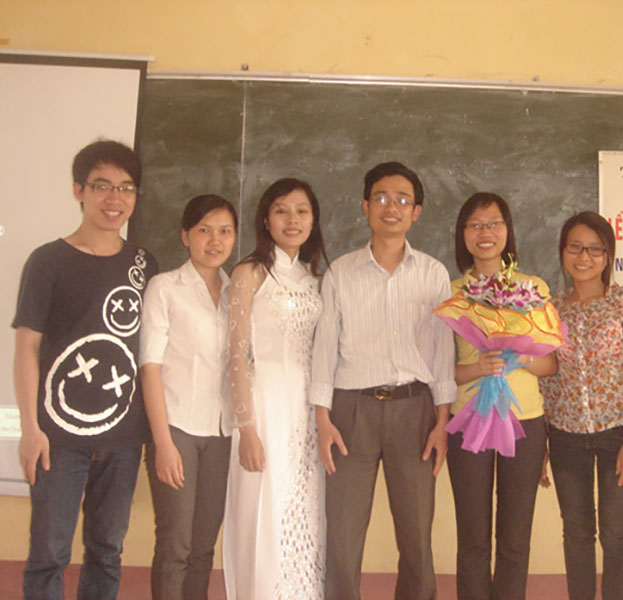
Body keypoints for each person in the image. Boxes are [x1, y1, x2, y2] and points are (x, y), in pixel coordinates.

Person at [12, 140, 158, 599]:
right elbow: (26, 347)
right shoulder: (47, 261)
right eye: (102, 186)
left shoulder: (143, 264)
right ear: (79, 190)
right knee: (49, 553)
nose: (115, 198)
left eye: (126, 188)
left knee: (107, 551)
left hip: (122, 439)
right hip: (57, 439)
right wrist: (30, 428)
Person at [311, 162, 456, 600]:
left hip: (415, 411)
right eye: (381, 198)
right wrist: (322, 418)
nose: (391, 207)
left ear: (416, 212)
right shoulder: (340, 273)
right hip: (350, 413)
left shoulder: (433, 273)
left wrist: (442, 422)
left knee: (416, 535)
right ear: (365, 207)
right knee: (342, 535)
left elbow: (442, 353)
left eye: (402, 200)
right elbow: (324, 349)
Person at [447, 192, 556, 600]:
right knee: (472, 537)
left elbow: (551, 365)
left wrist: (521, 356)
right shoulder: (452, 292)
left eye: (494, 223)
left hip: (524, 422)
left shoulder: (533, 288)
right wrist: (479, 367)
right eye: (475, 225)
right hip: (468, 421)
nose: (485, 232)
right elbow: (441, 373)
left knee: (515, 537)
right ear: (463, 234)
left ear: (507, 230)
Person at [222, 178, 328, 599]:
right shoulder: (249, 273)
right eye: (281, 210)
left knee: (303, 513)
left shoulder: (311, 276)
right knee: (263, 512)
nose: (292, 220)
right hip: (264, 407)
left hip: (306, 411)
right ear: (266, 219)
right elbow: (235, 355)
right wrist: (246, 428)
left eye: (302, 211)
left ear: (313, 220)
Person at [540, 211, 623, 600]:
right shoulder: (551, 310)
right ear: (562, 252)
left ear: (608, 256)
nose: (584, 257)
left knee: (617, 532)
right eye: (575, 247)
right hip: (566, 438)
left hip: (617, 435)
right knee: (576, 533)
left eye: (595, 249)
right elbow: (546, 382)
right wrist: (542, 444)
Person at [139, 194, 237, 600]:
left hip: (221, 432)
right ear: (185, 236)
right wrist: (162, 443)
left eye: (225, 231)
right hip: (176, 428)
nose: (215, 241)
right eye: (204, 230)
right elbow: (150, 367)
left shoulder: (237, 293)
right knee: (175, 545)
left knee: (202, 549)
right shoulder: (165, 288)